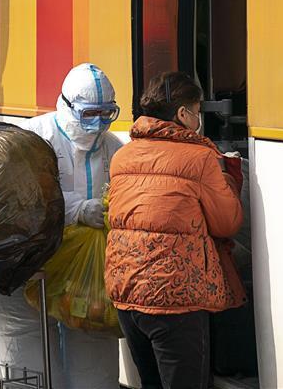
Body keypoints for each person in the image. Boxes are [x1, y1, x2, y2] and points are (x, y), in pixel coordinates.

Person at [105, 71, 246, 389]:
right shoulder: (199, 158)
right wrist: (228, 179)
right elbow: (227, 223)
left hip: (128, 293)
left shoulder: (123, 155)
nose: (198, 119)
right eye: (197, 111)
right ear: (183, 113)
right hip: (175, 296)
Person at [0, 63, 122, 388]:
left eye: (108, 114)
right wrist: (77, 210)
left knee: (95, 364)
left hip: (85, 277)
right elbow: (15, 201)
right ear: (66, 105)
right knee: (28, 368)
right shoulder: (32, 139)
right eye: (91, 114)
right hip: (28, 270)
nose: (99, 123)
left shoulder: (113, 147)